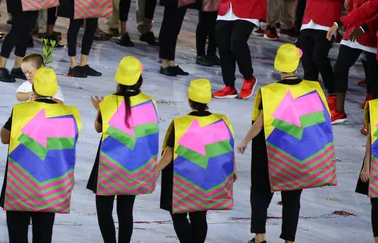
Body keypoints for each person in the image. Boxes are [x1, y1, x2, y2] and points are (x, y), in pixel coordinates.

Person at [237, 43, 337, 243]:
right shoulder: (312, 88)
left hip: (269, 151)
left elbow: (260, 123)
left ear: (278, 64)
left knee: (260, 193)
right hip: (299, 153)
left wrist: (245, 141)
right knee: (292, 198)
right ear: (297, 63)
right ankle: (289, 240)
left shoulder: (270, 92)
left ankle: (260, 238)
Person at [0, 68, 81, 243]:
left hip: (20, 183)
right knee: (44, 235)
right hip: (49, 185)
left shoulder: (21, 110)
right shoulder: (69, 114)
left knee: (17, 235)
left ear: (34, 88)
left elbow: (4, 137)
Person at [88, 56, 158, 243]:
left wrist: (99, 109)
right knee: (126, 212)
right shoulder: (150, 102)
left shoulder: (109, 102)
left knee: (104, 210)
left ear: (118, 79)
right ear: (139, 79)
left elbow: (99, 128)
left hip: (108, 164)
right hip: (134, 165)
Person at [156, 78, 236, 243]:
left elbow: (169, 153)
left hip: (182, 179)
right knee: (199, 216)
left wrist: (154, 170)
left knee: (178, 215)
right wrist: (233, 169)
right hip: (206, 178)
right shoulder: (222, 121)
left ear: (189, 99)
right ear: (208, 99)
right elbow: (227, 149)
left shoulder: (181, 124)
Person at [293, 0, 351, 116]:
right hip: (308, 18)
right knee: (307, 59)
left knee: (319, 57)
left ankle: (332, 92)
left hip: (327, 20)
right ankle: (311, 94)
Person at [327, 0, 378, 126]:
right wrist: (343, 22)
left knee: (374, 77)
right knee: (339, 68)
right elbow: (356, 7)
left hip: (370, 34)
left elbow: (372, 9)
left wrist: (364, 27)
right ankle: (339, 111)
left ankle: (371, 120)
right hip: (352, 31)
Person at [356, 93, 378, 241]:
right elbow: (370, 136)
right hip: (375, 161)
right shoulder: (374, 106)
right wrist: (366, 166)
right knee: (376, 205)